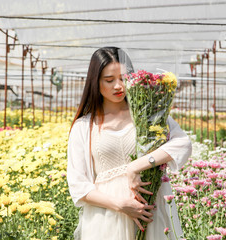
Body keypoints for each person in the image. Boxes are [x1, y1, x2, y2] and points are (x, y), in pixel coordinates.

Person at [67, 47, 192, 240]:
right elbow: (78, 185)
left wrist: (138, 165)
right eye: (109, 80)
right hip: (107, 216)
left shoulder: (148, 115)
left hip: (150, 210)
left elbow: (182, 143)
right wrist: (120, 205)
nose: (119, 86)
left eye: (124, 78)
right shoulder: (84, 127)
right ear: (95, 82)